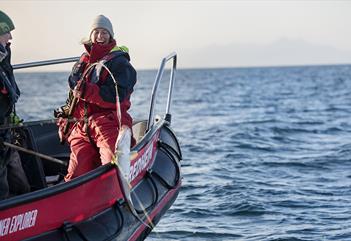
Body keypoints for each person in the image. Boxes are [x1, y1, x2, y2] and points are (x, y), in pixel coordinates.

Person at [56, 15, 137, 181]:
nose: (100, 36)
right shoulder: (83, 61)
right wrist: (66, 117)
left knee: (114, 167)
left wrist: (87, 91)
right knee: (74, 175)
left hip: (109, 123)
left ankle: (118, 196)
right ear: (91, 35)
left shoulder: (120, 63)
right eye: (97, 32)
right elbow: (73, 93)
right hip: (82, 125)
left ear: (111, 36)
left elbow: (117, 96)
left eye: (104, 33)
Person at [0, 10, 30, 200]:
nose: (10, 36)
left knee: (15, 170)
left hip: (5, 123)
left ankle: (26, 200)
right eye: (7, 32)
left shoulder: (4, 55)